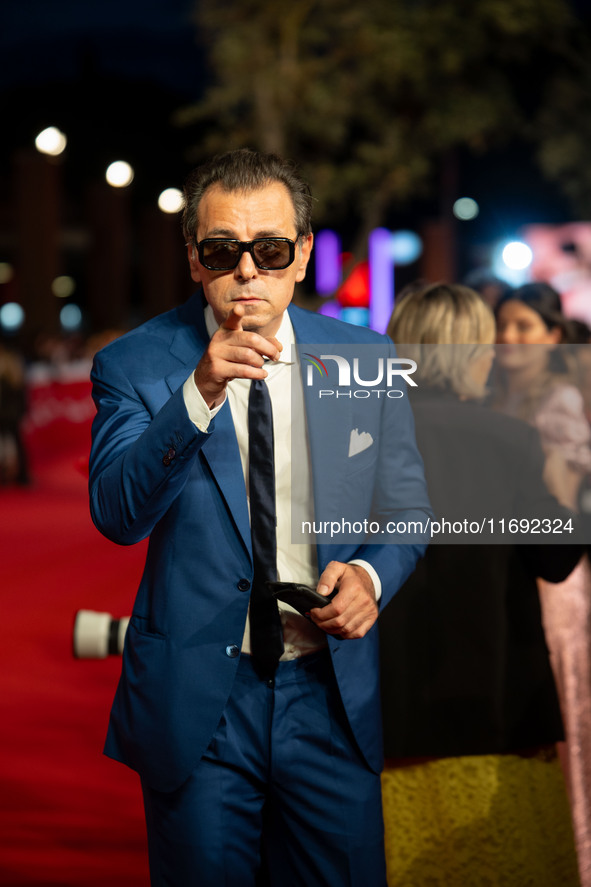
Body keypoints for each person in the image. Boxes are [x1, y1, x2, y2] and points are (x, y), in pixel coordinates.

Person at [88, 148, 432, 887]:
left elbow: (406, 509)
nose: (247, 271)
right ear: (194, 261)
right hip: (199, 707)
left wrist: (371, 574)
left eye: (270, 250)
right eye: (223, 251)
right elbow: (117, 514)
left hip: (329, 696)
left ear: (301, 255)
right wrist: (199, 392)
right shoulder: (135, 365)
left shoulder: (364, 356)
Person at [379, 282, 582, 886]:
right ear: (467, 350)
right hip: (493, 705)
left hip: (388, 708)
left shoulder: (357, 440)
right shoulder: (508, 438)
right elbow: (558, 557)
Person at [495, 282, 591, 887]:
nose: (508, 339)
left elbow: (560, 512)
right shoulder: (505, 397)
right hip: (521, 569)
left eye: (525, 327)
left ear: (554, 337)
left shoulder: (558, 401)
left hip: (554, 581)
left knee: (561, 697)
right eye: (502, 326)